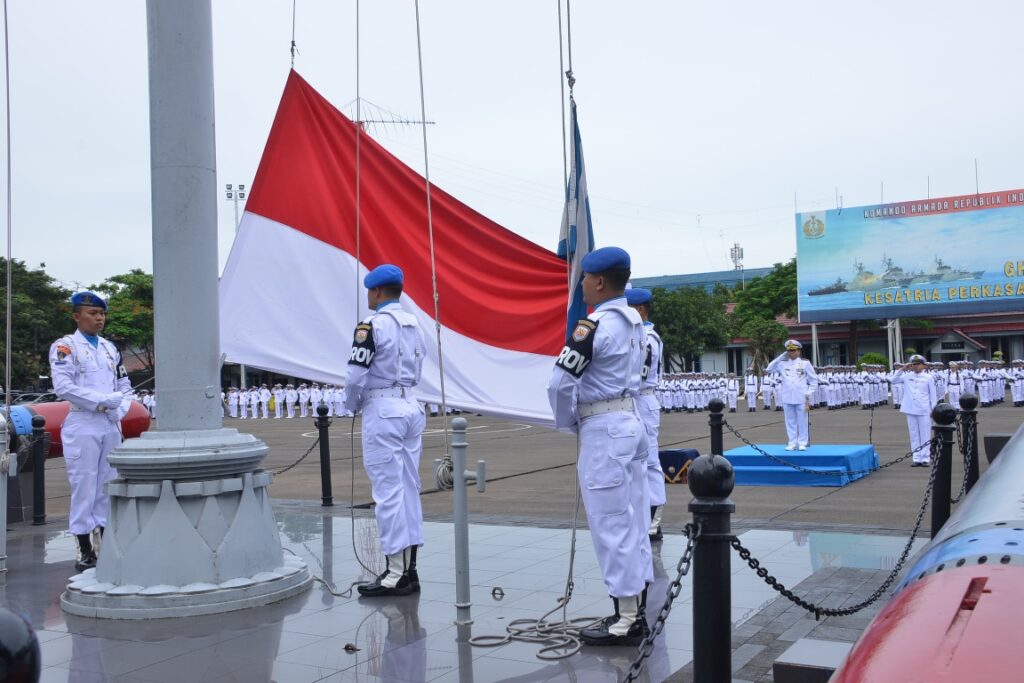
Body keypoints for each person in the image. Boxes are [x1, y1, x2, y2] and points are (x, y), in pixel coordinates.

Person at [548, 246, 652, 647]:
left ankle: (625, 618)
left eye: (586, 280)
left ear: (600, 282)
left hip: (604, 428)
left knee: (611, 524)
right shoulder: (635, 323)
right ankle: (636, 605)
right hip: (631, 421)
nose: (582, 287)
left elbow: (559, 383)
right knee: (635, 518)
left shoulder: (592, 327)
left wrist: (567, 421)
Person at [344, 264, 427, 597]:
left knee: (388, 493)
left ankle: (394, 574)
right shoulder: (414, 324)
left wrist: (352, 405)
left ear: (377, 292)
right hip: (411, 405)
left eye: (369, 291)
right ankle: (410, 570)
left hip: (384, 409)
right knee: (409, 489)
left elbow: (354, 375)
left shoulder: (371, 326)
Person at [48, 291, 131, 571]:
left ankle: (106, 541)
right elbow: (63, 387)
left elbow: (125, 386)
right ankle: (84, 547)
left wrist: (120, 409)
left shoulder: (109, 348)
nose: (99, 318)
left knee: (108, 484)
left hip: (110, 422)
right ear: (76, 315)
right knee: (84, 484)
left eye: (102, 314)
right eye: (93, 313)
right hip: (83, 420)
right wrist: (100, 401)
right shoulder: (66, 347)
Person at [626, 287, 667, 542]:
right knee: (634, 462)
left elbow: (637, 375)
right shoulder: (638, 334)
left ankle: (654, 520)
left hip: (642, 399)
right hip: (635, 401)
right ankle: (642, 515)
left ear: (640, 310)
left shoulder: (648, 338)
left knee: (650, 462)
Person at [765, 339, 819, 451]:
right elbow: (769, 369)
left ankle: (802, 443)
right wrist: (780, 357)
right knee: (790, 421)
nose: (791, 353)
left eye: (793, 350)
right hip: (787, 396)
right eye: (789, 351)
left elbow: (814, 380)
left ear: (799, 351)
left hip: (801, 396)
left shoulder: (805, 363)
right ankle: (792, 442)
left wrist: (809, 392)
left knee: (802, 420)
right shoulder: (782, 364)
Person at [891, 354, 938, 467]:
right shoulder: (907, 376)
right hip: (910, 409)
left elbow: (933, 396)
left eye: (918, 364)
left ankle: (925, 458)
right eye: (914, 364)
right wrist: (902, 369)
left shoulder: (928, 377)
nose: (915, 366)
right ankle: (916, 458)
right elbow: (893, 380)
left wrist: (934, 410)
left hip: (924, 409)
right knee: (914, 434)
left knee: (925, 434)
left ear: (924, 366)